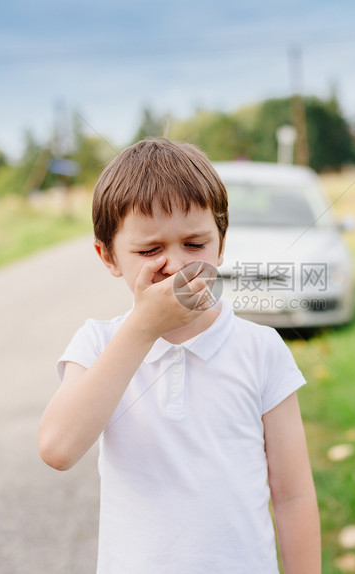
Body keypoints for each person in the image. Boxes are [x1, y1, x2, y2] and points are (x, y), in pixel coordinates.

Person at [38, 138, 321, 574]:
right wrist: (142, 328)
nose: (175, 264)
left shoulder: (262, 351)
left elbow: (293, 495)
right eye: (150, 251)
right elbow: (58, 448)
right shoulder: (98, 344)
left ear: (221, 242)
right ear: (108, 256)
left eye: (195, 244)